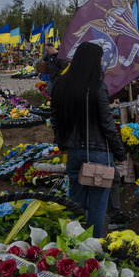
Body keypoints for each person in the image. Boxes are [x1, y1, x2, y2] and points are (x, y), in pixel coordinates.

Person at [50, 42, 129, 237]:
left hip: (73, 152)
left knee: (76, 203)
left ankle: (74, 244)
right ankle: (92, 250)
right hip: (97, 153)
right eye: (101, 58)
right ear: (93, 61)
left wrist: (62, 145)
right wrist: (120, 153)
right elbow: (107, 124)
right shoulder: (96, 87)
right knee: (96, 206)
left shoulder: (61, 84)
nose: (102, 62)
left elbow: (54, 119)